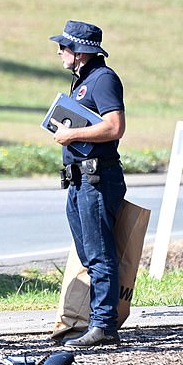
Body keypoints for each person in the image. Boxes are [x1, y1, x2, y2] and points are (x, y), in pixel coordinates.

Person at [49, 20, 127, 347]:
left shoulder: (103, 80)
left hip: (97, 179)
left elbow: (114, 127)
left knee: (99, 254)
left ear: (80, 51)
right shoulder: (84, 81)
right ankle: (98, 320)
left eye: (64, 47)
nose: (59, 52)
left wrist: (72, 134)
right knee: (88, 254)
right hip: (79, 180)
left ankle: (104, 325)